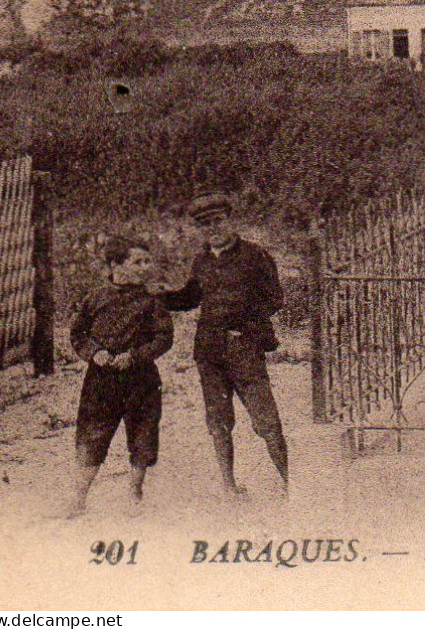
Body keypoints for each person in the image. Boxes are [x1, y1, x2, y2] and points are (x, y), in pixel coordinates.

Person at [164, 193, 289, 498]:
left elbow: (274, 299)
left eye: (218, 221)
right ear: (198, 229)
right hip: (209, 352)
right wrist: (159, 297)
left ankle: (290, 483)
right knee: (218, 422)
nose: (213, 229)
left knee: (266, 420)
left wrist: (244, 327)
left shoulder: (255, 257)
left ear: (231, 220)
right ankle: (229, 486)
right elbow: (191, 298)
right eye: (205, 225)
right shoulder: (202, 261)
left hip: (244, 350)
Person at [65, 236, 173, 518]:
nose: (145, 268)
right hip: (101, 380)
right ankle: (78, 499)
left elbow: (164, 338)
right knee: (92, 435)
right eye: (138, 262)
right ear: (115, 265)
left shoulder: (152, 302)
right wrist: (95, 352)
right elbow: (78, 334)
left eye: (147, 261)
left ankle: (135, 494)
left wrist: (135, 356)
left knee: (143, 434)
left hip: (142, 380)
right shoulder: (95, 298)